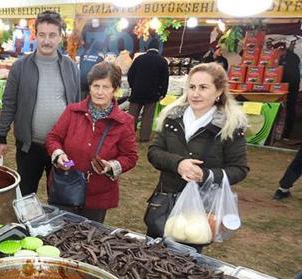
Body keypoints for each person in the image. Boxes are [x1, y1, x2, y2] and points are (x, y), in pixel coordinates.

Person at [146, 63, 249, 251]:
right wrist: (178, 164)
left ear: (218, 91)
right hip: (164, 203)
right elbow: (154, 152)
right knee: (149, 256)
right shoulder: (172, 118)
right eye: (192, 87)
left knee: (186, 260)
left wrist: (206, 175)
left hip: (200, 208)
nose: (195, 94)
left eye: (203, 87)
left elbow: (239, 169)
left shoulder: (231, 126)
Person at [0, 10, 80, 196]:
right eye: (42, 35)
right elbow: (9, 103)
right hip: (29, 146)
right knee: (25, 195)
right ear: (35, 35)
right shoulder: (20, 67)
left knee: (61, 196)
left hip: (62, 147)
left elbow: (77, 105)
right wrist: (0, 136)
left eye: (52, 35)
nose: (46, 41)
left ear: (60, 36)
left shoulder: (71, 67)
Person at [46, 62, 138, 223]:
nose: (100, 92)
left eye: (106, 87)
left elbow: (130, 157)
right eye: (96, 86)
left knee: (89, 240)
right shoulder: (72, 111)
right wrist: (58, 154)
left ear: (115, 90)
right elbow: (53, 138)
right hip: (66, 187)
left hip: (98, 195)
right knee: (60, 233)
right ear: (89, 87)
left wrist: (111, 166)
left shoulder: (124, 122)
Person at [127, 39, 169, 142]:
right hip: (152, 93)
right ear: (158, 49)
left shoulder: (139, 59)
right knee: (148, 117)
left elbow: (130, 74)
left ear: (147, 48)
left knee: (132, 116)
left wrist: (133, 86)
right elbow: (165, 79)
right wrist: (163, 93)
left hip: (137, 91)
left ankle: (128, 136)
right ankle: (144, 137)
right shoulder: (162, 61)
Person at [275, 42, 300, 140]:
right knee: (280, 108)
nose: (276, 54)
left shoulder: (292, 57)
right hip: (280, 87)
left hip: (291, 88)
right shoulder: (280, 58)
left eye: (277, 51)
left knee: (290, 108)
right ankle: (278, 133)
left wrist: (284, 86)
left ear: (282, 50)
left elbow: (292, 74)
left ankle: (287, 134)